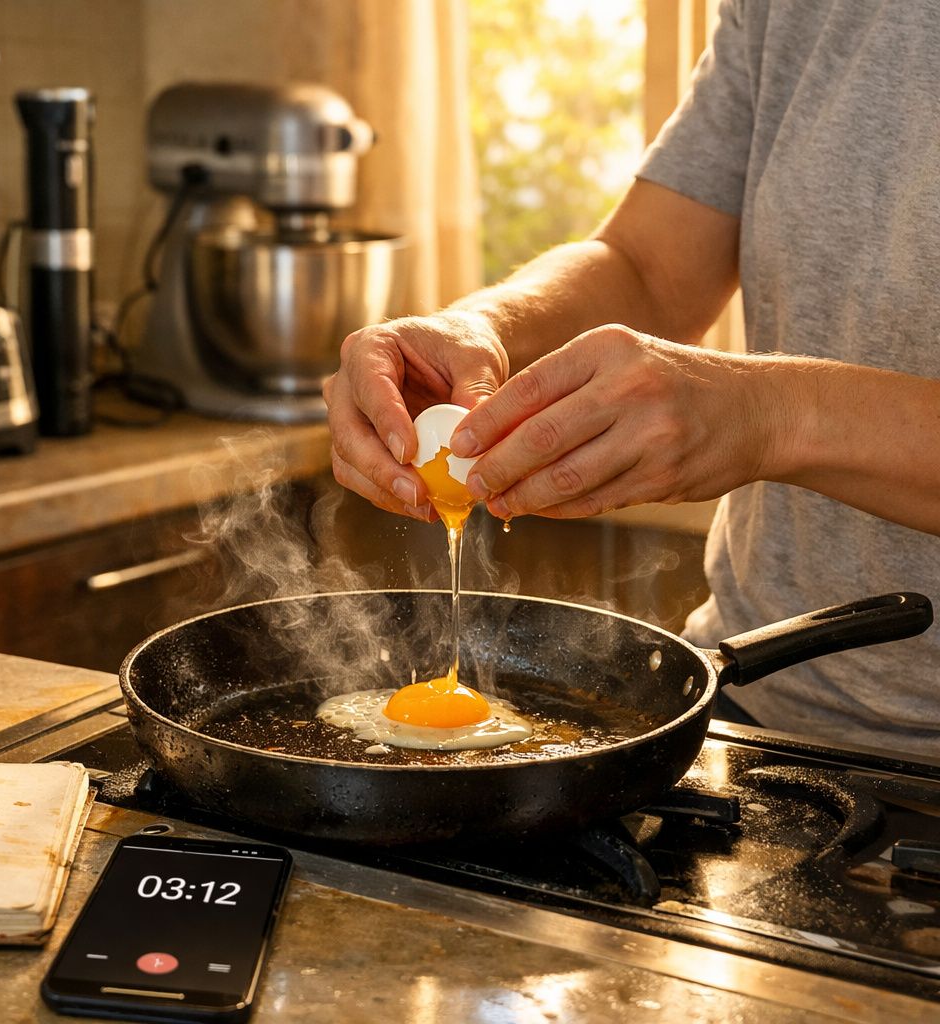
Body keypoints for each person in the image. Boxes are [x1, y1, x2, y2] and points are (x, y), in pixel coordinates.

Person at [324, 0, 940, 759]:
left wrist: (773, 414)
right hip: (751, 697)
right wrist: (479, 330)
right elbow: (648, 266)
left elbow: (765, 406)